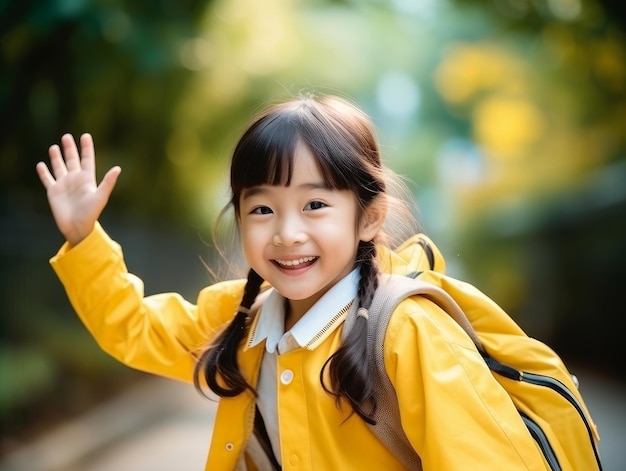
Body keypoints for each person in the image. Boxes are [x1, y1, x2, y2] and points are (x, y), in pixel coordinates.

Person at [36, 94, 549, 470]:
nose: (286, 232)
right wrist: (84, 237)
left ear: (369, 218)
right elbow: (135, 329)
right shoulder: (243, 320)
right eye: (262, 208)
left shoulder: (409, 332)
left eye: (315, 204)